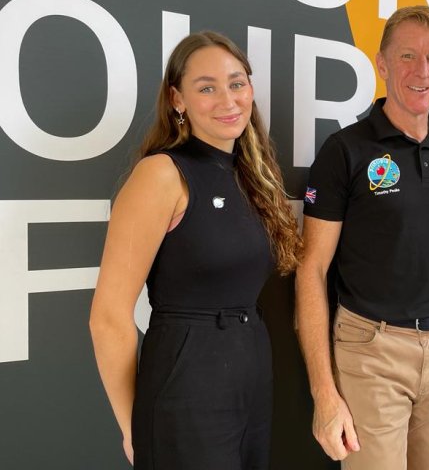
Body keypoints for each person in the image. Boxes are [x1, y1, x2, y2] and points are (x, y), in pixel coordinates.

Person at [89, 31, 302, 469]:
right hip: (186, 384)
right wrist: (134, 426)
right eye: (207, 87)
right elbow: (107, 319)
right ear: (177, 99)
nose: (227, 99)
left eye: (236, 82)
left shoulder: (251, 178)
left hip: (250, 374)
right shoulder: (162, 174)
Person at [295, 5, 429, 470]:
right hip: (372, 352)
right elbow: (312, 269)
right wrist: (324, 394)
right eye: (407, 56)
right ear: (382, 64)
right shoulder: (345, 150)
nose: (422, 71)